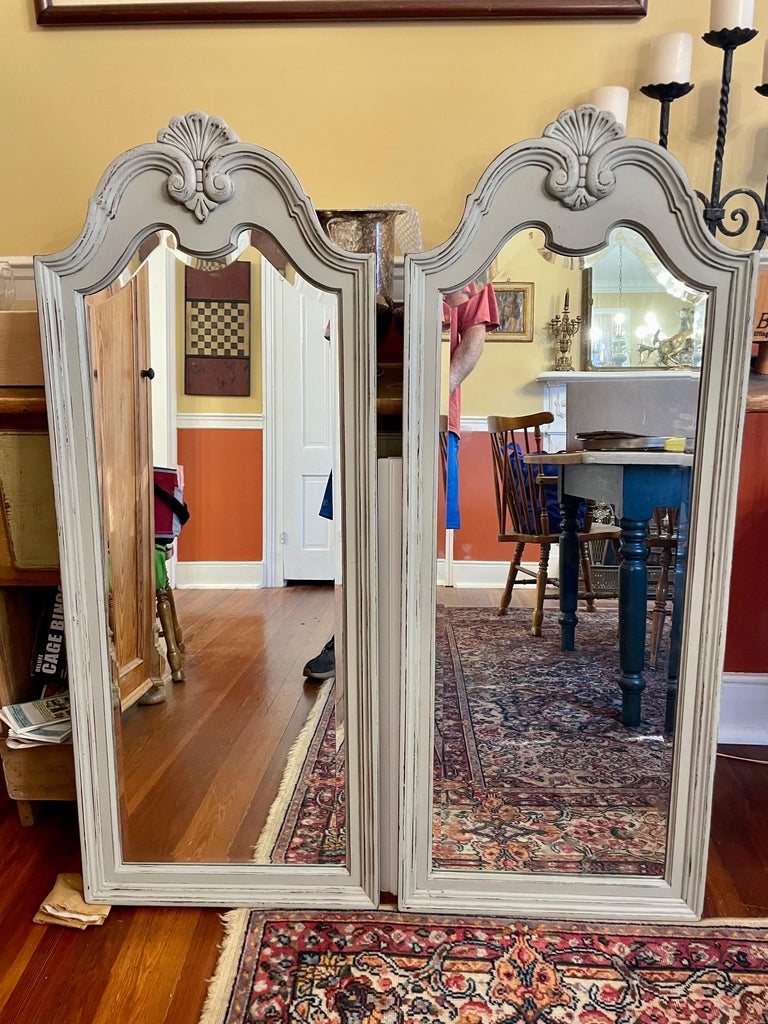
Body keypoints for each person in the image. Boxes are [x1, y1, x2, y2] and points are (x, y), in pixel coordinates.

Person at [303, 278, 498, 682]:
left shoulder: (468, 263)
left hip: (432, 422)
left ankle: (412, 640)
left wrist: (432, 392)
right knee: (362, 531)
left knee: (416, 537)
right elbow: (336, 334)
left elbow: (474, 338)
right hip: (369, 418)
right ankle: (352, 636)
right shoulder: (369, 262)